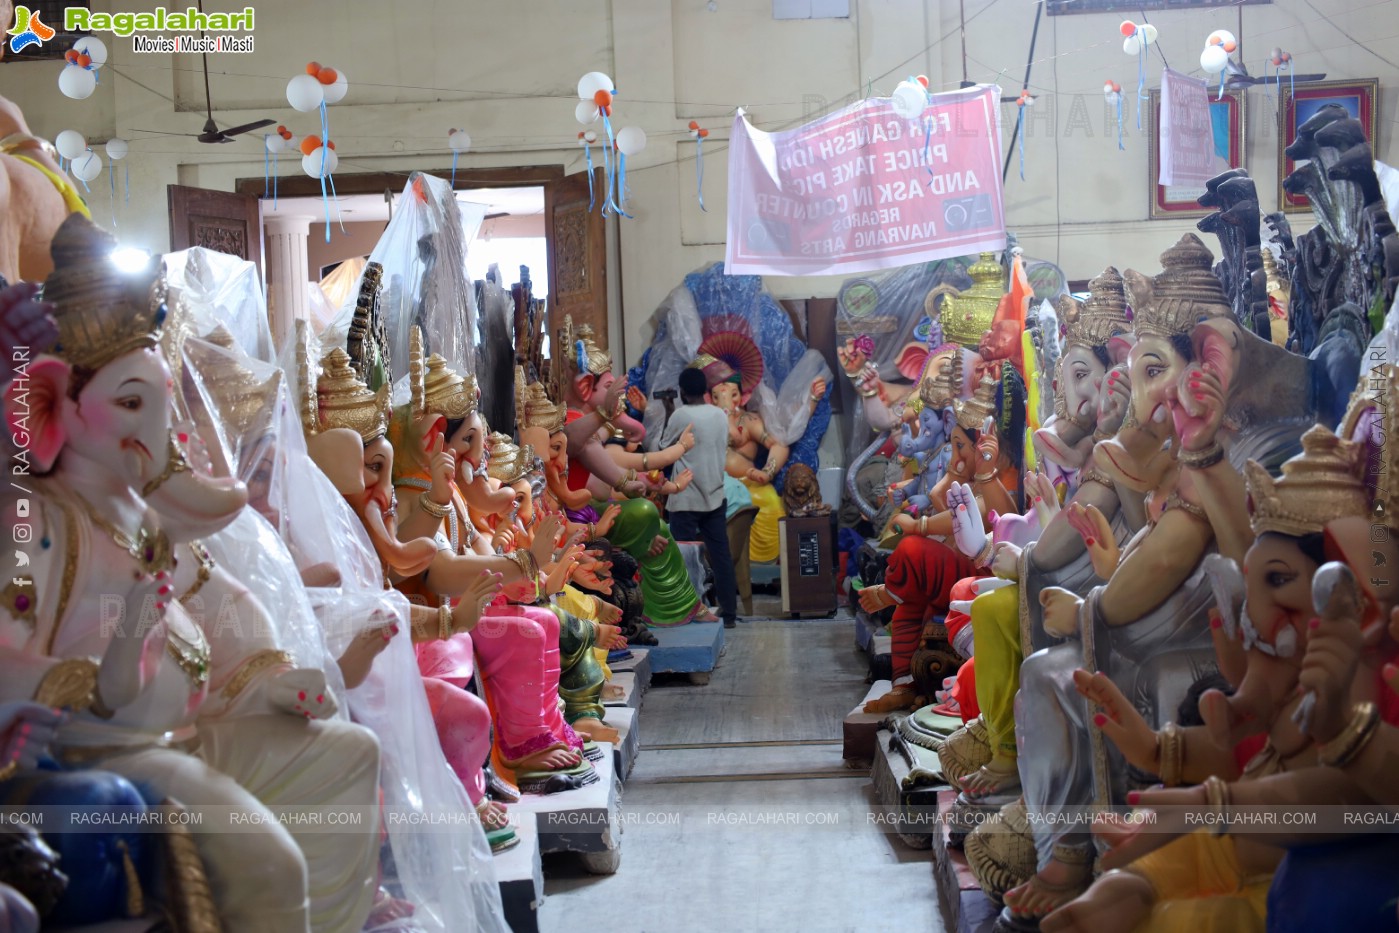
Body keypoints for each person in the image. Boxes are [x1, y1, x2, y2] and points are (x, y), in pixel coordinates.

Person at [662, 366, 740, 627]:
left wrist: (668, 411)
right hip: (715, 496)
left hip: (684, 497)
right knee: (721, 557)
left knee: (682, 559)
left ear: (682, 391)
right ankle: (729, 614)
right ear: (706, 391)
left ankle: (683, 611)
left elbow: (663, 448)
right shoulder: (719, 415)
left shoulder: (680, 415)